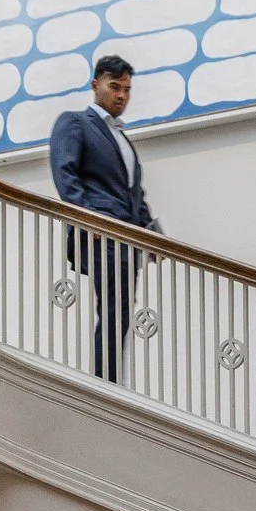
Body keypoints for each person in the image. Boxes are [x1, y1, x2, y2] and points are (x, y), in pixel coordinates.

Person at [48, 56, 161, 381]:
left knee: (122, 309)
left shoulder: (121, 139)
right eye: (115, 87)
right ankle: (106, 385)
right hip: (103, 232)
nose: (122, 95)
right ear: (96, 85)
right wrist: (87, 217)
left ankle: (111, 380)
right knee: (114, 308)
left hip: (128, 237)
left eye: (127, 89)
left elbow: (134, 193)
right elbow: (65, 172)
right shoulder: (74, 122)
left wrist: (153, 235)